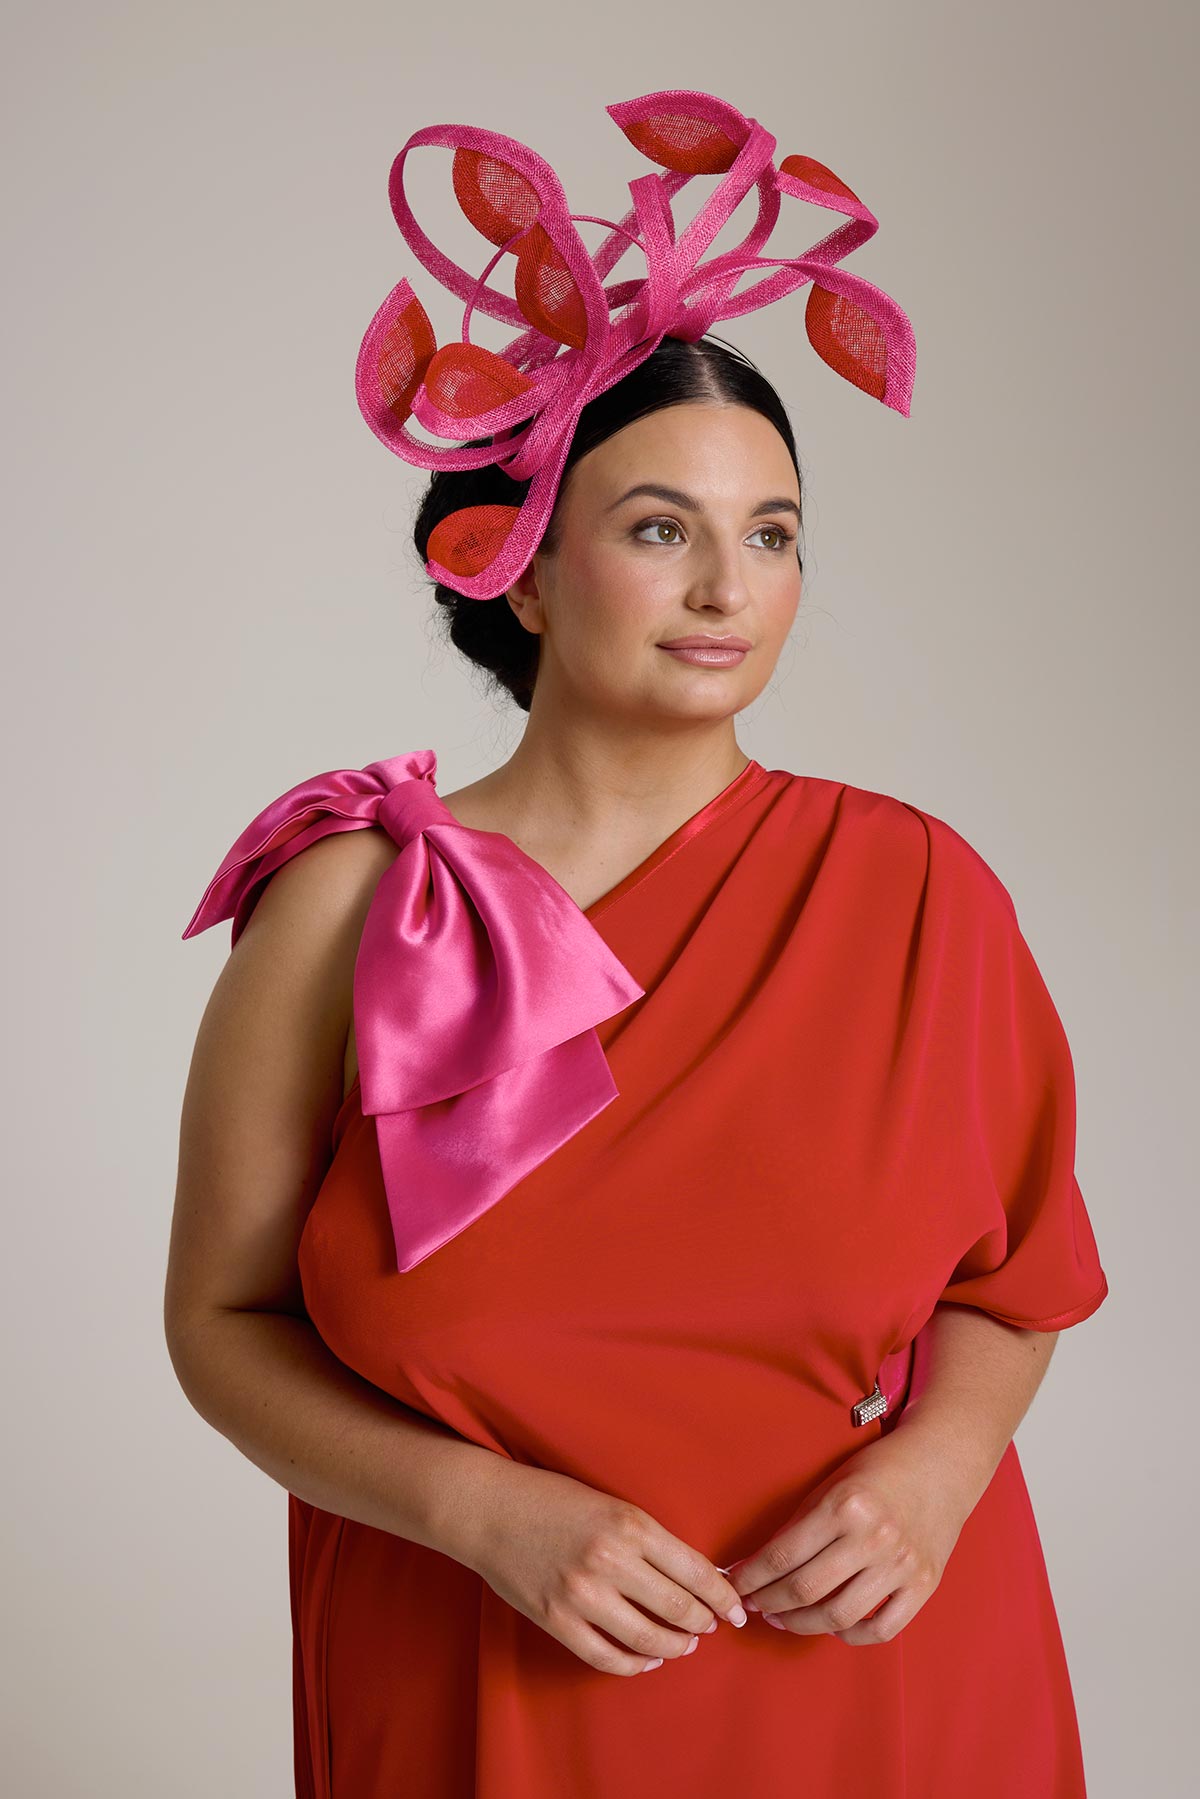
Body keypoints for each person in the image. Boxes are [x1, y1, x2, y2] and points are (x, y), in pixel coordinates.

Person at [166, 93, 1109, 1798]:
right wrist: (484, 1514)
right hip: (473, 1666)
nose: (728, 589)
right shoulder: (347, 906)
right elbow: (224, 1326)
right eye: (662, 528)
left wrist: (938, 1473)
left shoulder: (918, 891)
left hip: (880, 1684)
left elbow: (1014, 1288)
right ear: (517, 571)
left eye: (773, 535)